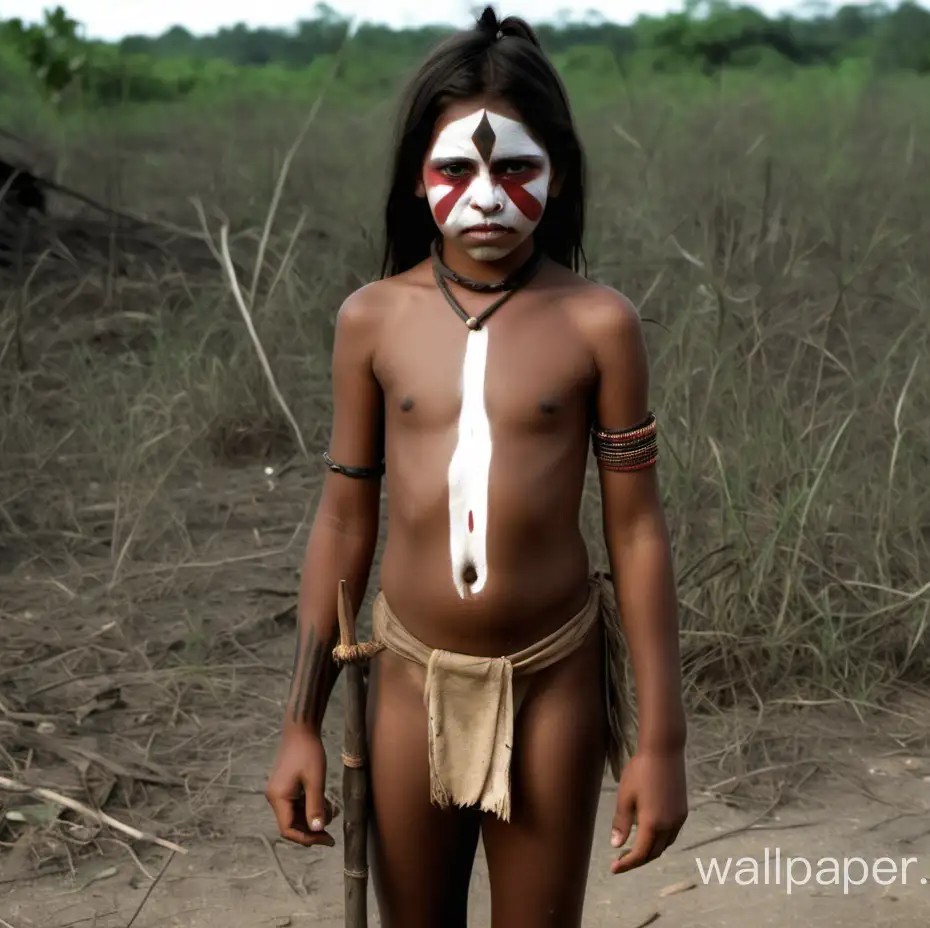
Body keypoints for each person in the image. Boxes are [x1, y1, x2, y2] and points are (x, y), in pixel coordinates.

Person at [264, 7, 687, 926]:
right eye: (457, 169)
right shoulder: (371, 320)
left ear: (559, 172)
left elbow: (638, 528)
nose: (486, 197)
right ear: (418, 179)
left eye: (516, 169)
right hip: (410, 674)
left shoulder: (598, 324)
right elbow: (343, 519)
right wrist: (301, 720)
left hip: (554, 675)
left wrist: (662, 742)